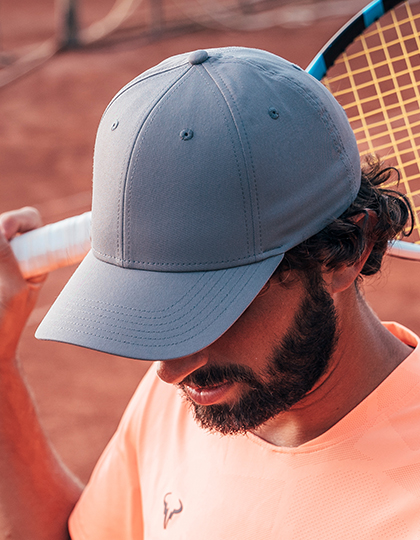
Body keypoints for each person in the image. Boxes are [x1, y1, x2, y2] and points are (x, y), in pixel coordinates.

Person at [0, 47, 418, 539]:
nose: (170, 370)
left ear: (345, 254)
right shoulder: (201, 390)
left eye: (215, 308)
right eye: (163, 311)